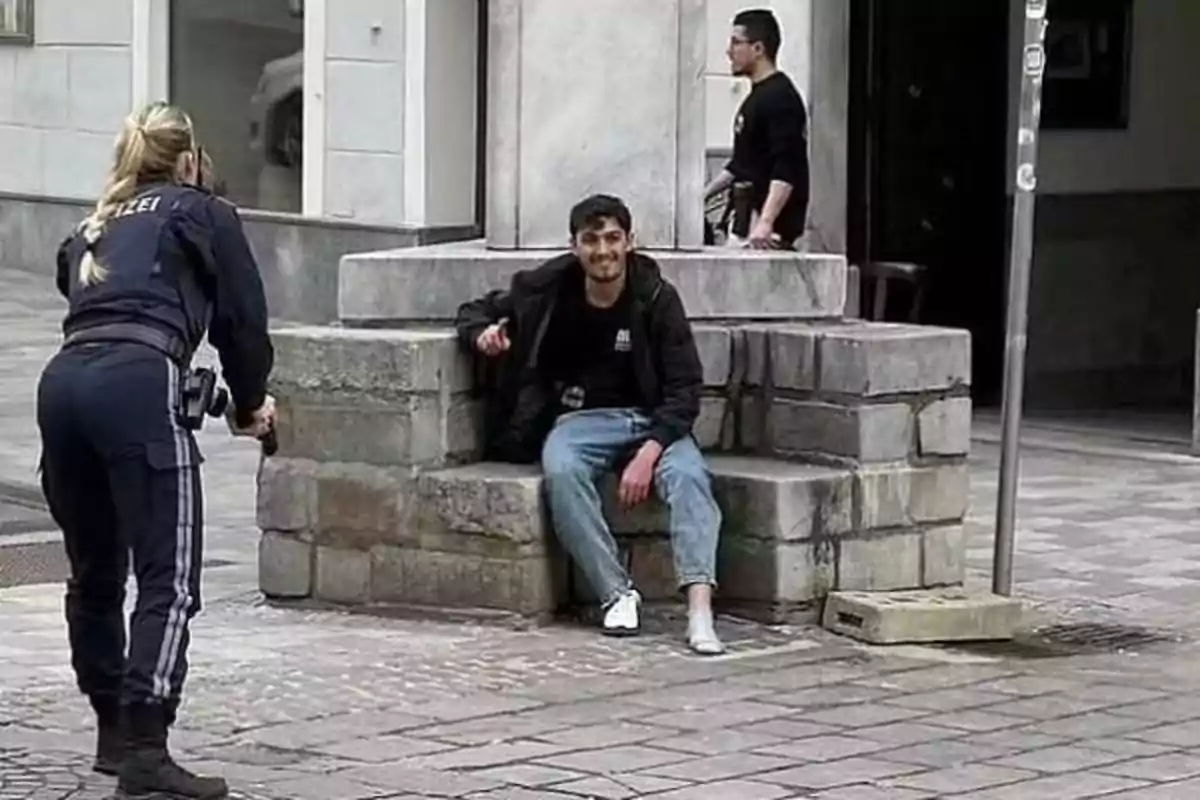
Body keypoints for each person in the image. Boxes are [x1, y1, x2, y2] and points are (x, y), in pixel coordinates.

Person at [36, 101, 276, 799]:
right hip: (138, 389)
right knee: (168, 578)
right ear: (189, 159)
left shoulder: (91, 226)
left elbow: (93, 303)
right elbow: (244, 320)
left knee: (95, 572)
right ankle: (147, 747)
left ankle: (113, 732)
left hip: (64, 386)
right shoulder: (203, 210)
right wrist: (253, 400)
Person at [455, 194, 725, 655]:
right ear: (575, 246)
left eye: (613, 239)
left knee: (689, 476)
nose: (603, 251)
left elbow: (685, 390)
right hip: (582, 422)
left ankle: (700, 608)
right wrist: (484, 334)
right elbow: (475, 311)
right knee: (560, 468)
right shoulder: (550, 290)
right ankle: (616, 592)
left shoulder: (657, 297)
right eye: (591, 240)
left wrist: (650, 451)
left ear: (630, 242)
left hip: (652, 420)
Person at [705, 8, 810, 250]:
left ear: (758, 49)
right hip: (744, 223)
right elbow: (740, 164)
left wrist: (766, 222)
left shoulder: (781, 98)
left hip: (765, 234)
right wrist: (700, 197)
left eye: (735, 42)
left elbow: (786, 166)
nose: (728, 51)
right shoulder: (756, 98)